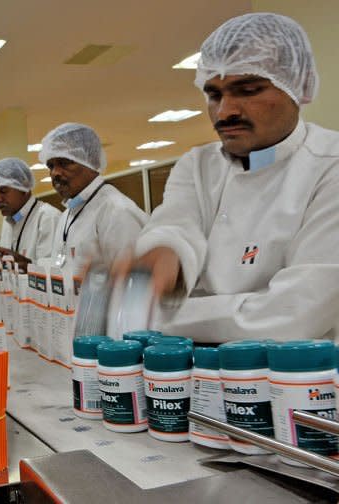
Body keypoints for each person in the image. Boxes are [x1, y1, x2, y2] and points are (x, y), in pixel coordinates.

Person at [124, 13, 339, 343]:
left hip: (299, 381)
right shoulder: (197, 165)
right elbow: (176, 225)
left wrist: (159, 315)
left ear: (299, 87)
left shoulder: (330, 165)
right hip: (194, 376)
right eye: (214, 95)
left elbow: (293, 313)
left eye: (248, 90)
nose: (225, 112)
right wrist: (164, 255)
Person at [41, 123, 146, 270]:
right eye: (50, 166)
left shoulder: (116, 211)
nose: (55, 173)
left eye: (65, 163)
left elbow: (135, 281)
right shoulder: (68, 214)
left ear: (90, 161)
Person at [0, 157, 60, 271]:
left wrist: (28, 265)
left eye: (3, 191)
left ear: (24, 188)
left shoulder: (48, 217)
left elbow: (56, 269)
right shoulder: (8, 222)